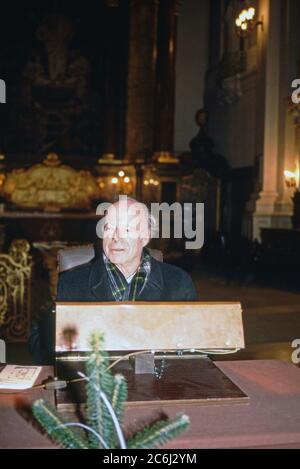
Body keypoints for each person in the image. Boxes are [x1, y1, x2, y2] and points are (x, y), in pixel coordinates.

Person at [29, 197, 198, 363]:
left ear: (145, 237)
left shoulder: (178, 283)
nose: (116, 237)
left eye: (126, 229)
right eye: (109, 228)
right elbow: (42, 349)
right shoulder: (72, 283)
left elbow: (194, 352)